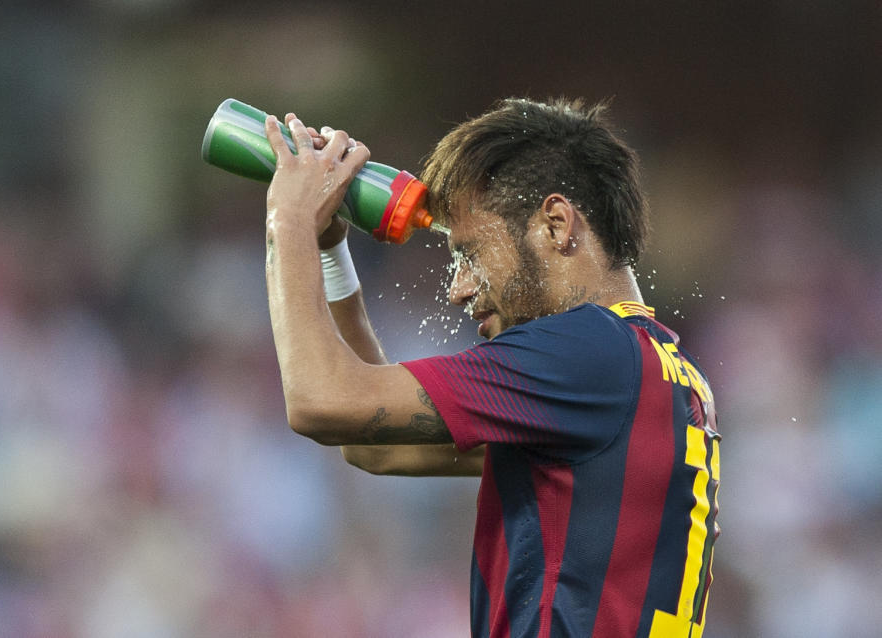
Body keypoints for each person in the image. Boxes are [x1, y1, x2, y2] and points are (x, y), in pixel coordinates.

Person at [261, 97, 721, 638]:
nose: (458, 289)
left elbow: (321, 401)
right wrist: (330, 252)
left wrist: (286, 220)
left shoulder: (586, 352)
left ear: (556, 224)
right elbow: (375, 444)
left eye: (471, 254)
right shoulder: (644, 369)